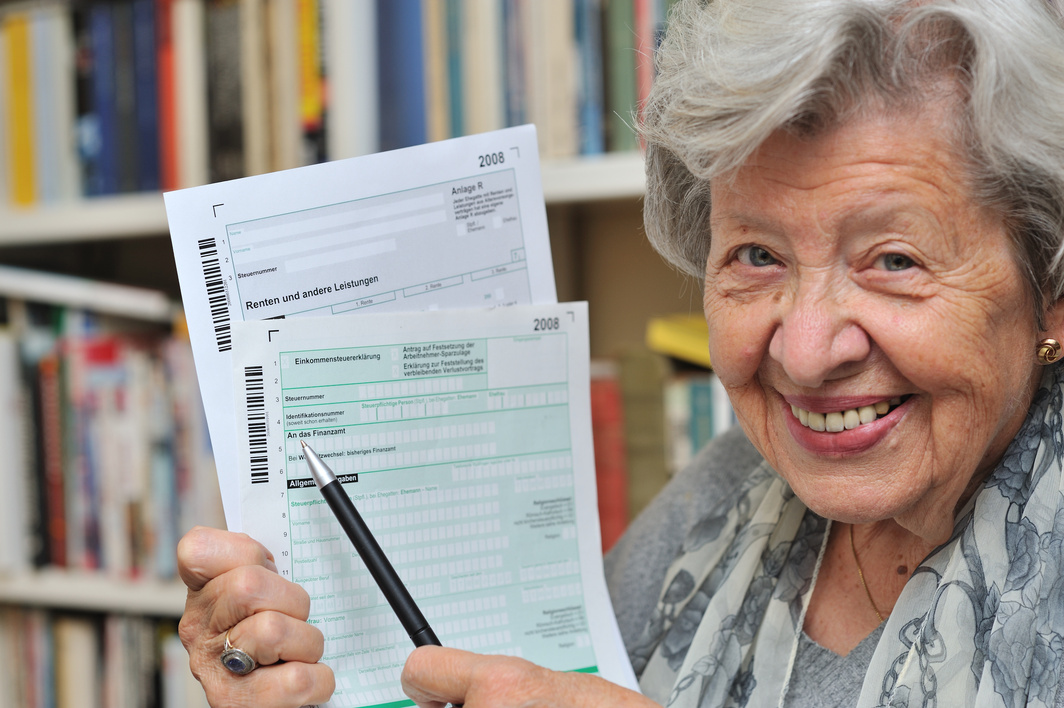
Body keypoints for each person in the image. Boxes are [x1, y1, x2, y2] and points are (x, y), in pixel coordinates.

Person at [177, 0, 1064, 705]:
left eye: (894, 261)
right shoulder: (725, 499)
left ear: (1051, 286)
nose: (803, 352)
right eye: (757, 256)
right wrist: (310, 680)